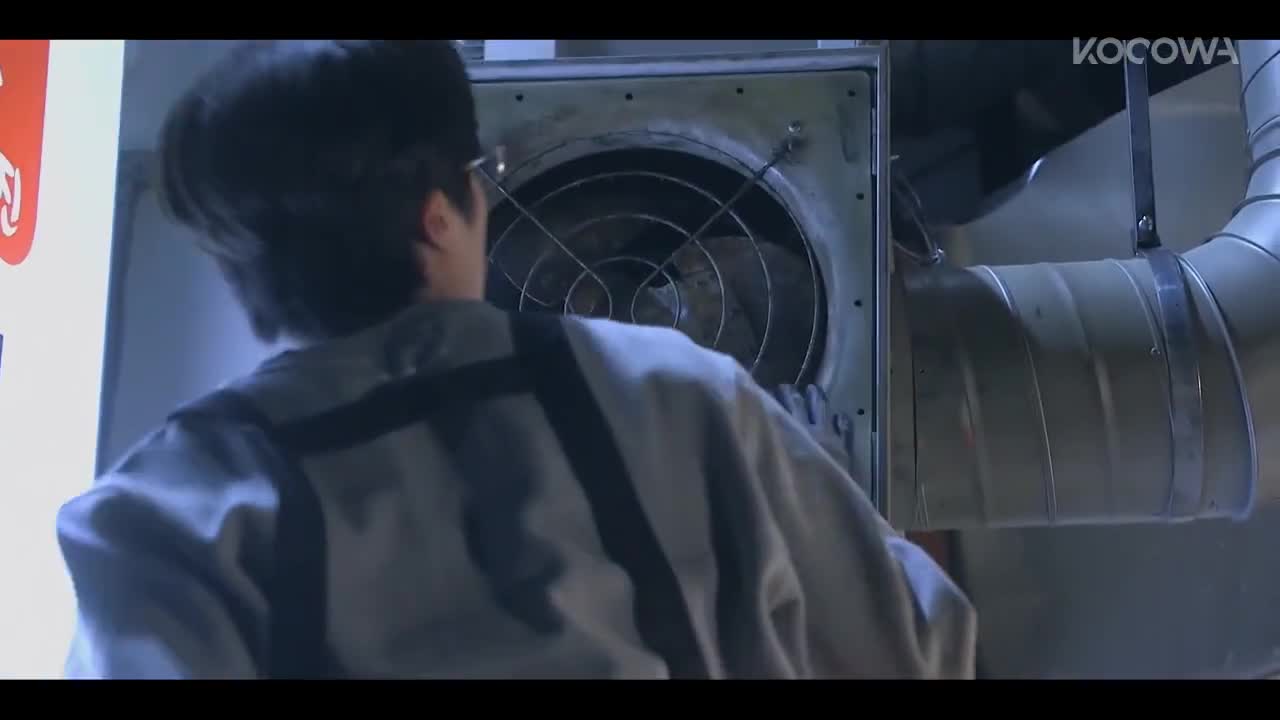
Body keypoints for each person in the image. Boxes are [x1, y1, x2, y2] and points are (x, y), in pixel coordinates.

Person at [56, 40, 977, 679]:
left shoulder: (159, 520)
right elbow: (916, 650)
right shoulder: (668, 393)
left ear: (241, 271)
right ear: (439, 216)